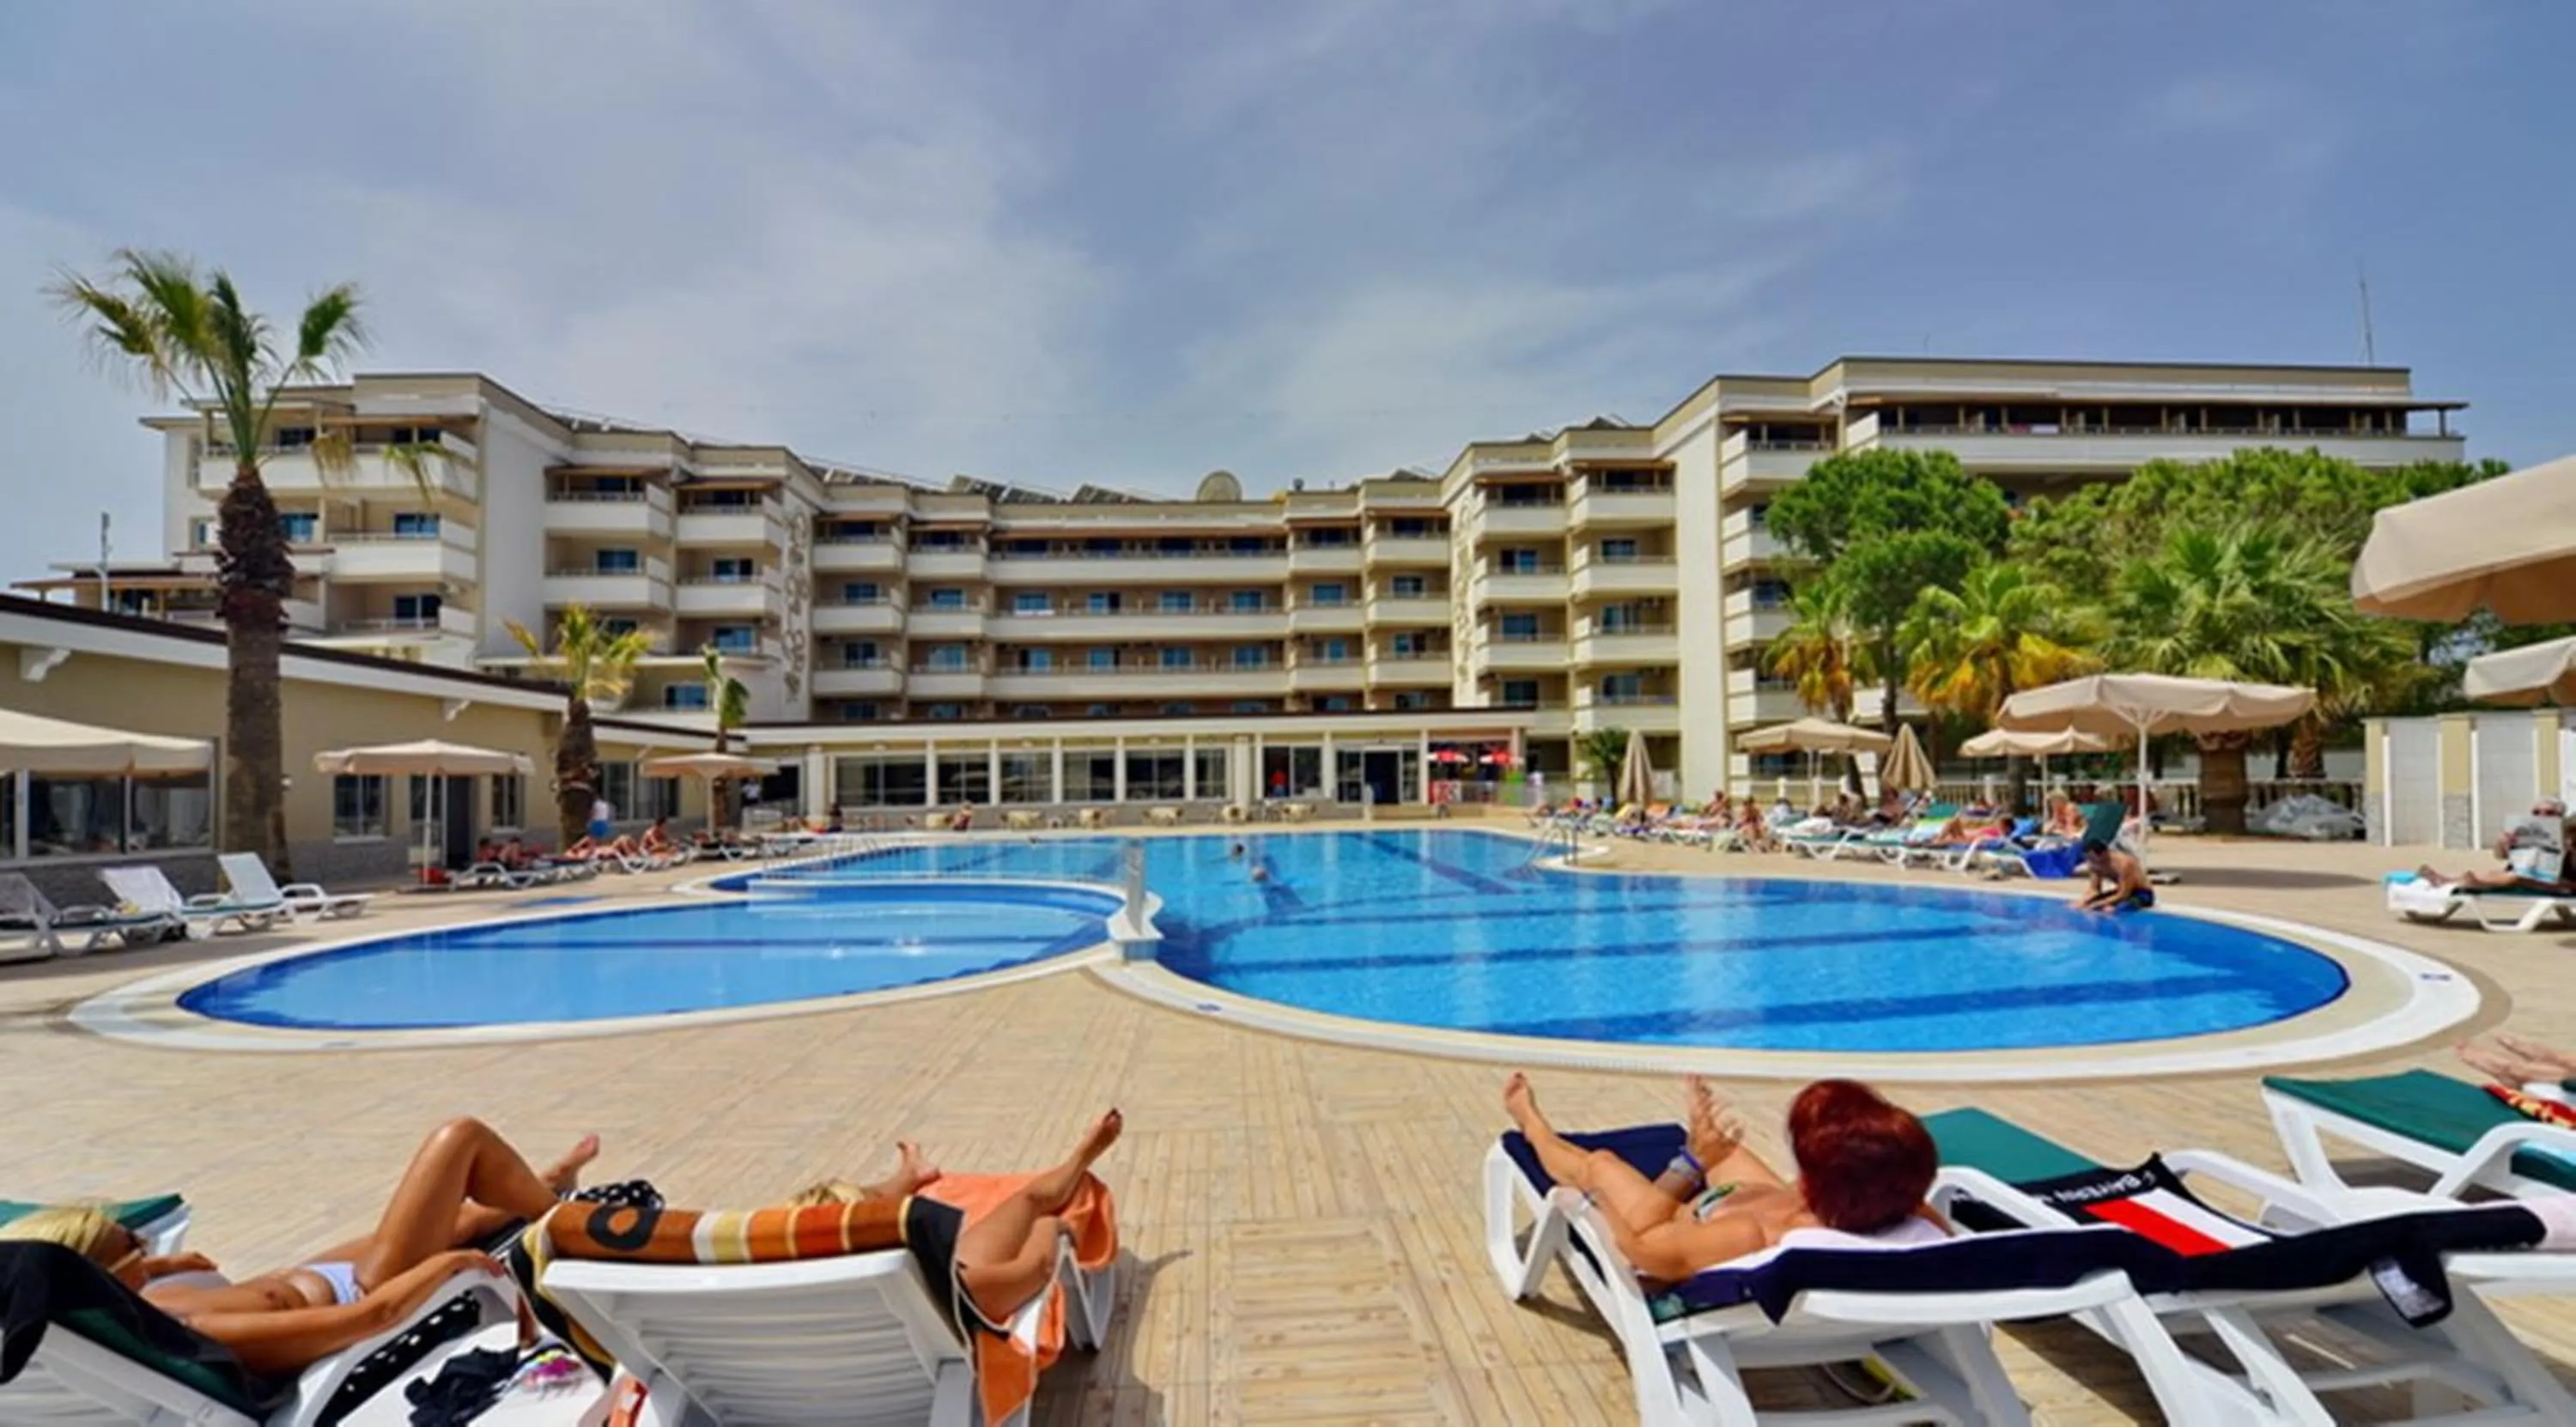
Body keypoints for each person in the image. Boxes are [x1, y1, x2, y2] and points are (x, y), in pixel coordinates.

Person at [0, 1118, 599, 1377]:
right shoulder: (192, 1327)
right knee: (457, 1143)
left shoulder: (118, 1308)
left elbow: (114, 1275)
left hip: (309, 1279)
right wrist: (451, 1268)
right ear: (112, 1272)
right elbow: (372, 1318)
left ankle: (547, 1188)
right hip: (363, 1291)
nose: (146, 1245)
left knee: (459, 1214)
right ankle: (555, 1206)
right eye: (134, 1243)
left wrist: (161, 1263)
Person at [1501, 1073, 1942, 1282]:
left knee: (1599, 1162)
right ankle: (1705, 1142)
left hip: (1683, 1215)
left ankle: (1532, 1125)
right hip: (1774, 1202)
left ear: (1814, 1181)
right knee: (1723, 1149)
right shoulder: (1905, 1208)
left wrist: (1688, 1166)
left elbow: (1641, 1244)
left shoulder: (1748, 1236)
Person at [790, 1111, 1121, 1333]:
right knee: (1032, 1202)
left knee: (828, 1197)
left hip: (855, 1359)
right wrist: (1052, 1228)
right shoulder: (954, 1288)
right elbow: (1037, 1268)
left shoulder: (780, 1300)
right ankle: (1082, 1157)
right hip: (941, 1309)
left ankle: (910, 1175)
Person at [2416, 799, 2570, 893]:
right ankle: (2451, 880)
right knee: (2499, 872)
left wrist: (2566, 846)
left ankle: (2466, 882)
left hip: (2558, 881)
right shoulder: (2526, 831)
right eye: (2536, 812)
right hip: (2526, 874)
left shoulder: (2569, 833)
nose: (2541, 816)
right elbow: (2499, 856)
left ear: (2560, 816)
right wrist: (2504, 844)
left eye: (2549, 813)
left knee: (2515, 877)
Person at [2076, 838, 2154, 912]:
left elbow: (2124, 894)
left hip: (2141, 893)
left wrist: (2098, 904)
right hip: (2120, 892)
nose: (2091, 861)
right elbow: (2094, 889)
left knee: (2118, 908)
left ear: (2104, 854)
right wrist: (2083, 901)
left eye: (2092, 858)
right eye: (2089, 858)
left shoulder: (2123, 864)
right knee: (2087, 905)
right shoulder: (2094, 864)